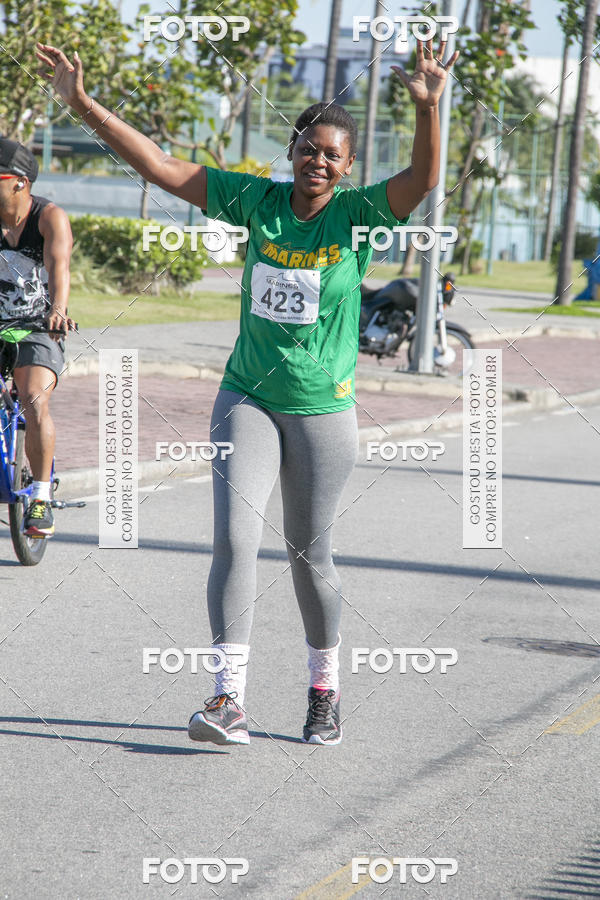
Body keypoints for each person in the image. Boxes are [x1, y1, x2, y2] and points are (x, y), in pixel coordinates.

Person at [36, 37, 458, 744]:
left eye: (332, 155)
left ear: (348, 166)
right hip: (248, 399)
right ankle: (228, 698)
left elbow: (421, 177)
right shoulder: (256, 200)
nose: (318, 161)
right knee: (234, 539)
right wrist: (82, 105)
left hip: (323, 411)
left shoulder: (357, 217)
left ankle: (323, 688)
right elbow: (162, 166)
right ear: (291, 151)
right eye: (308, 149)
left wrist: (427, 108)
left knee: (309, 556)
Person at [0, 137, 75, 537]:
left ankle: (41, 496)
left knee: (33, 398)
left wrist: (57, 309)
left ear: (20, 182)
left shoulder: (49, 217)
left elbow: (59, 266)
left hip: (37, 325)